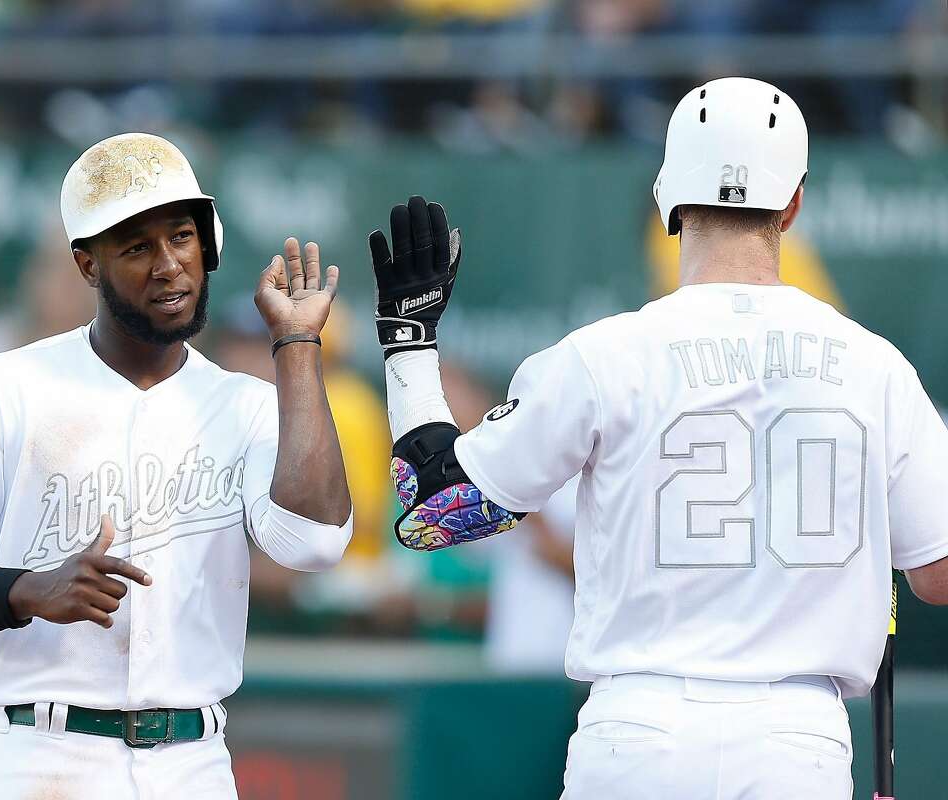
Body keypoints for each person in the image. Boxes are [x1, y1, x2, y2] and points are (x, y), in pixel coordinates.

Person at [367, 78, 948, 799]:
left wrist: (410, 345)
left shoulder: (603, 355)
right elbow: (939, 573)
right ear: (795, 202)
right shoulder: (876, 367)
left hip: (639, 733)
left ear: (666, 193)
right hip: (797, 741)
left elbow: (435, 511)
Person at [0, 132, 352, 799]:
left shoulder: (246, 406)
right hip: (38, 755)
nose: (168, 266)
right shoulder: (5, 389)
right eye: (136, 247)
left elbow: (317, 542)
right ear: (87, 265)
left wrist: (298, 344)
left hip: (193, 763)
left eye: (182, 237)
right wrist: (24, 590)